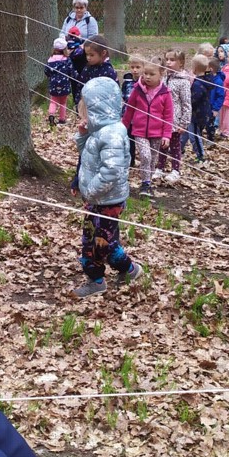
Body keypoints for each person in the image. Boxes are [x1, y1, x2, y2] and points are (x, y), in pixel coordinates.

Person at [71, 78, 143, 298]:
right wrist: (83, 136)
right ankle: (119, 272)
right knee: (97, 241)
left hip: (106, 201)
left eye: (85, 108)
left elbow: (111, 171)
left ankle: (107, 277)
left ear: (97, 108)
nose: (82, 112)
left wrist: (90, 191)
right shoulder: (99, 131)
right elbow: (87, 157)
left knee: (100, 244)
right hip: (98, 200)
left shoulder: (111, 134)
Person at [122, 57, 172, 197]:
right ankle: (145, 183)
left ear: (161, 74)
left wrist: (167, 135)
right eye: (146, 74)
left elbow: (168, 116)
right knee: (145, 156)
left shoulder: (165, 93)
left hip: (157, 133)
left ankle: (148, 183)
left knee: (153, 159)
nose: (148, 77)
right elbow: (129, 110)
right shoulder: (137, 90)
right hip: (139, 131)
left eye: (152, 74)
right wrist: (123, 127)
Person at [157, 49, 191, 185]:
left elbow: (186, 103)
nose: (168, 62)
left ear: (181, 62)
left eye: (172, 60)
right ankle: (160, 167)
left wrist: (184, 122)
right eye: (167, 59)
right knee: (162, 144)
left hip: (175, 120)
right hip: (162, 118)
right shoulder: (164, 78)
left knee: (175, 146)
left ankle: (175, 170)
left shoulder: (183, 82)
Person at [69, 34, 118, 106]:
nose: (88, 58)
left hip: (104, 108)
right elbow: (80, 87)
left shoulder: (109, 71)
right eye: (87, 54)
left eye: (91, 55)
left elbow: (115, 91)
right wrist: (78, 104)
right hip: (87, 106)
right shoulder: (87, 69)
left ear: (103, 53)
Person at [187, 54, 212, 162]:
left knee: (195, 136)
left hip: (197, 114)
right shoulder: (207, 79)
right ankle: (180, 148)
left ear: (195, 68)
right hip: (202, 112)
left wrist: (186, 101)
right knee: (189, 132)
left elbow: (193, 99)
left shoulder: (198, 84)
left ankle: (200, 156)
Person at [45, 38, 73, 127]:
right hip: (64, 83)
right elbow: (70, 70)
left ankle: (51, 115)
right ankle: (62, 119)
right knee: (63, 102)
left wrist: (51, 76)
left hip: (53, 83)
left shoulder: (50, 60)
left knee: (53, 101)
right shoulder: (67, 59)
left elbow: (46, 71)